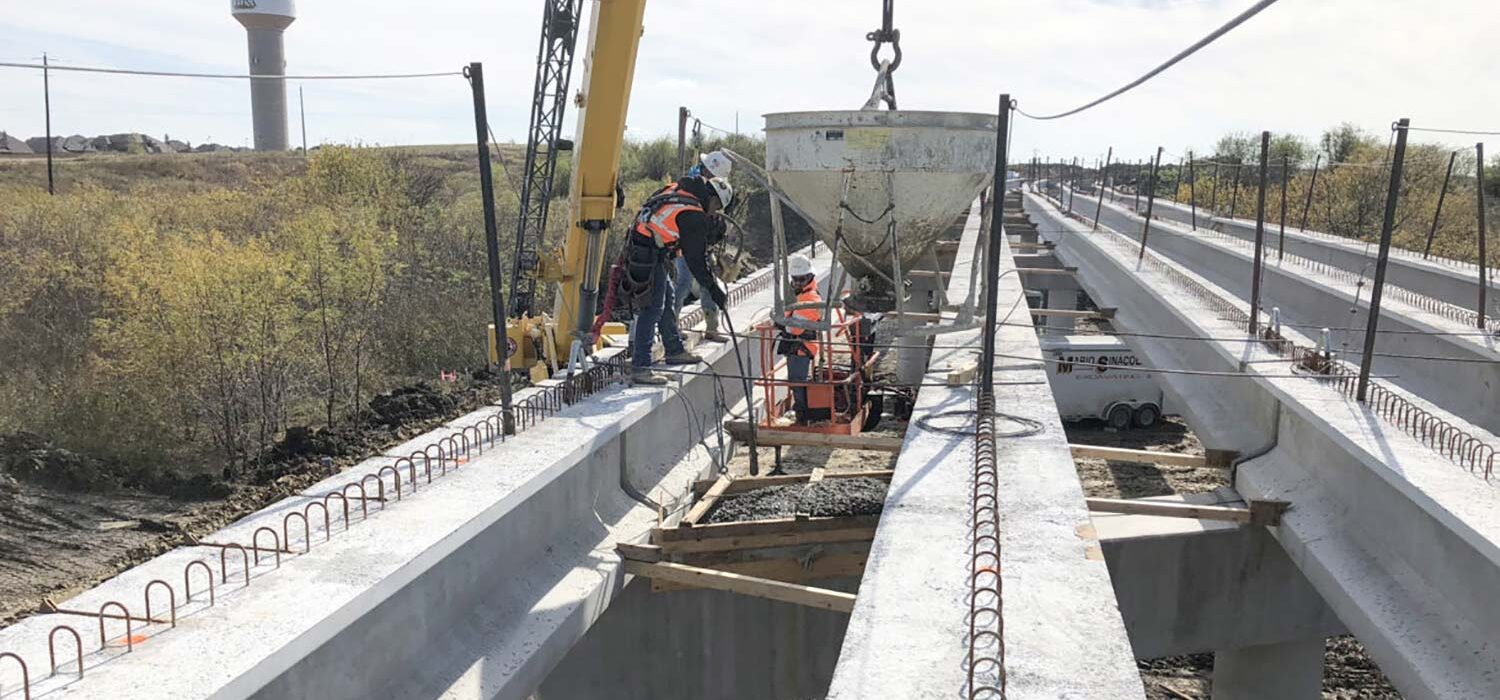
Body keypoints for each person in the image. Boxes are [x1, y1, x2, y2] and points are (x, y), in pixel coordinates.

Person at [624, 174, 733, 386]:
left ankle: (674, 350)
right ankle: (641, 367)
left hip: (648, 246)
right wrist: (713, 289)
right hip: (646, 250)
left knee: (667, 297)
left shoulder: (679, 191)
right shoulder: (692, 214)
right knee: (652, 308)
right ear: (713, 198)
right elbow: (696, 261)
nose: (714, 212)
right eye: (717, 207)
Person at [675, 151, 733, 342]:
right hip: (685, 243)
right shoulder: (694, 187)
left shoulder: (713, 190)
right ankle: (672, 326)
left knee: (709, 283)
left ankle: (712, 327)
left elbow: (715, 219)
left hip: (702, 242)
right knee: (684, 281)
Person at [775, 254, 822, 423]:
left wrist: (781, 323)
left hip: (802, 347)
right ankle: (803, 411)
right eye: (795, 280)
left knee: (797, 381)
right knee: (796, 381)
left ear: (810, 277)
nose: (797, 283)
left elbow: (794, 327)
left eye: (802, 280)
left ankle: (803, 414)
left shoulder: (810, 299)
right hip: (798, 345)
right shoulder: (800, 295)